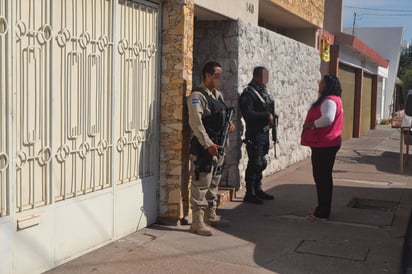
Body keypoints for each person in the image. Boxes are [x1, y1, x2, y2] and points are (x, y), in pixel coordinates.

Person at [187, 61, 235, 236]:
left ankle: (210, 214)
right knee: (201, 184)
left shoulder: (218, 95)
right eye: (217, 76)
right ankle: (197, 222)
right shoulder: (197, 96)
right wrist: (208, 144)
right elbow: (196, 123)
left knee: (214, 182)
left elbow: (221, 114)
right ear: (207, 75)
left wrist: (229, 124)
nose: (219, 79)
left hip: (218, 146)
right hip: (204, 148)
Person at [301, 74, 344, 221]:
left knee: (322, 177)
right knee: (323, 177)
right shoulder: (335, 99)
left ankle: (322, 211)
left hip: (325, 143)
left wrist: (311, 124)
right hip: (328, 143)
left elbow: (328, 119)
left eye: (322, 82)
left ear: (327, 85)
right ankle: (322, 208)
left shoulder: (329, 101)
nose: (319, 84)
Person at [239, 67, 277, 204]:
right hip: (254, 134)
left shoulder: (263, 92)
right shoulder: (248, 94)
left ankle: (258, 189)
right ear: (256, 76)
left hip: (263, 133)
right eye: (263, 76)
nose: (265, 79)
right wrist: (266, 115)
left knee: (261, 163)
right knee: (255, 162)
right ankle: (250, 193)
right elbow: (248, 115)